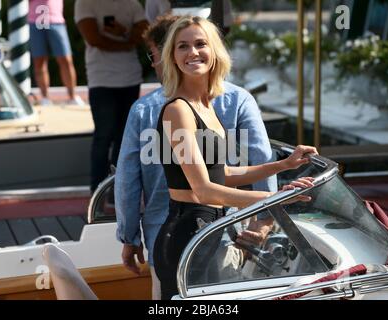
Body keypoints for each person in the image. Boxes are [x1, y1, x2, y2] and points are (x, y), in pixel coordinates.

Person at [114, 15, 278, 300]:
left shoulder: (143, 110)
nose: (156, 64)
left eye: (199, 44)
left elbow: (128, 180)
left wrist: (130, 237)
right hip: (222, 234)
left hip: (166, 236)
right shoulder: (237, 101)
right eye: (181, 47)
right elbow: (255, 158)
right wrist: (265, 216)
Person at [153, 15, 317, 300]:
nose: (192, 52)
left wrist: (283, 165)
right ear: (173, 57)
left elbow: (222, 174)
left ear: (214, 51)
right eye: (182, 46)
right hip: (188, 234)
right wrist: (276, 199)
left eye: (200, 44)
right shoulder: (177, 110)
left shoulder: (205, 106)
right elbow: (203, 190)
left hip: (211, 230)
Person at [75, 0, 149, 192]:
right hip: (101, 80)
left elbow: (144, 32)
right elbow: (94, 39)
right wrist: (127, 40)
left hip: (130, 78)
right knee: (104, 136)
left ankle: (118, 191)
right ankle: (97, 192)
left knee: (124, 138)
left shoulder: (132, 4)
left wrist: (123, 34)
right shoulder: (84, 3)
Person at [28, 0, 84, 106]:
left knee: (66, 60)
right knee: (39, 62)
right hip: (34, 21)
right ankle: (45, 98)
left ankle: (72, 97)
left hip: (56, 20)